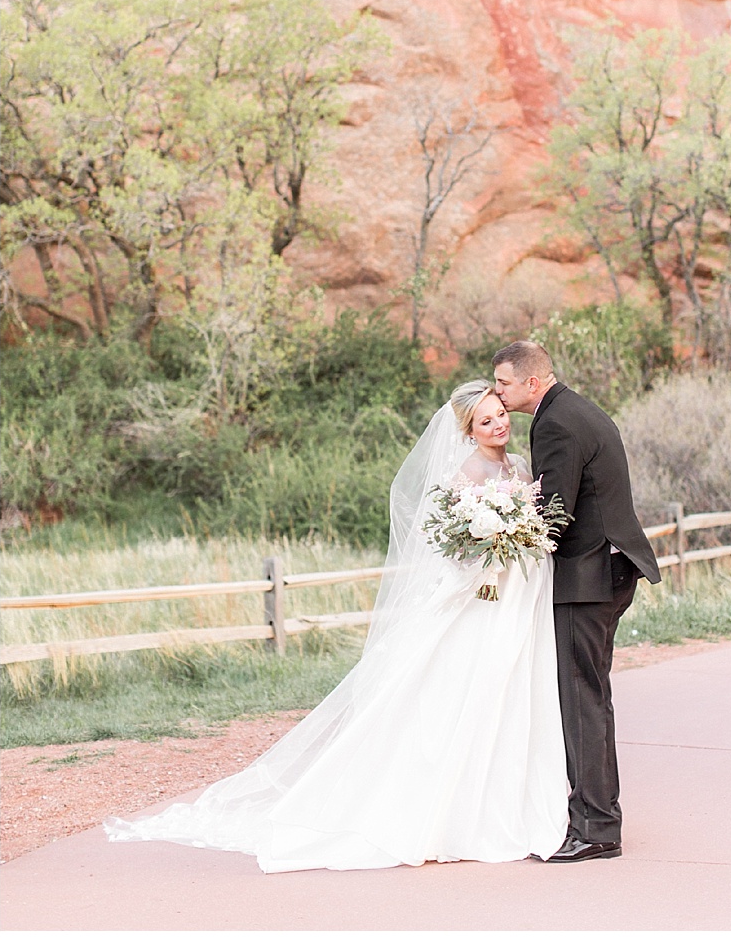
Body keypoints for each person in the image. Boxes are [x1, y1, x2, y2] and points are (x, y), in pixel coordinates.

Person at [105, 381, 568, 871]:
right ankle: (450, 811)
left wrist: (520, 536)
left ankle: (509, 798)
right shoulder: (467, 472)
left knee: (514, 686)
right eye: (486, 420)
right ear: (468, 430)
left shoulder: (519, 465)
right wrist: (487, 549)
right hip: (482, 598)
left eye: (500, 414)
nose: (499, 425)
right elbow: (449, 548)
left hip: (520, 592)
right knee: (469, 689)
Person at [493, 340, 661, 864]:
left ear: (532, 383)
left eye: (503, 383)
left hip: (587, 577)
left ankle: (596, 828)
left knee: (582, 698)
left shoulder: (555, 423)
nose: (497, 392)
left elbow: (556, 512)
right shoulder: (574, 408)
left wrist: (501, 541)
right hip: (607, 566)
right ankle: (592, 814)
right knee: (590, 694)